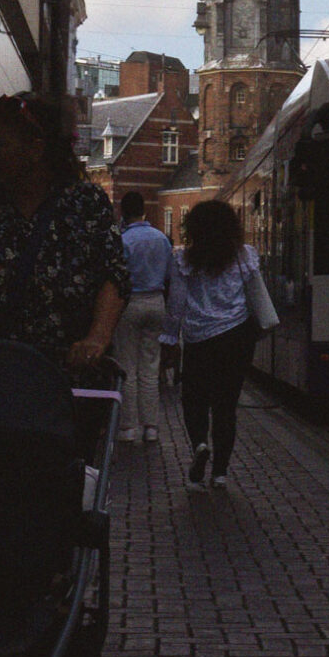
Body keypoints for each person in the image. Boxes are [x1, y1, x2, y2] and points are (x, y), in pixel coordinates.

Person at [0, 94, 128, 374]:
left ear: (36, 150)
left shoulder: (86, 203)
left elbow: (114, 276)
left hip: (62, 372)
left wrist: (97, 338)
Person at [166, 199, 264, 487]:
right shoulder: (245, 256)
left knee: (194, 398)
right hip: (237, 336)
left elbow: (176, 302)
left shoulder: (185, 259)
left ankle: (199, 444)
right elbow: (254, 293)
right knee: (226, 405)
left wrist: (171, 337)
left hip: (199, 338)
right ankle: (220, 472)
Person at [114, 191, 174, 443]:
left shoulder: (121, 240)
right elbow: (171, 275)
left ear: (123, 213)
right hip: (156, 301)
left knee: (127, 367)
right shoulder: (161, 239)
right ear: (144, 211)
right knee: (151, 366)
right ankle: (151, 426)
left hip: (129, 303)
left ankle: (128, 427)